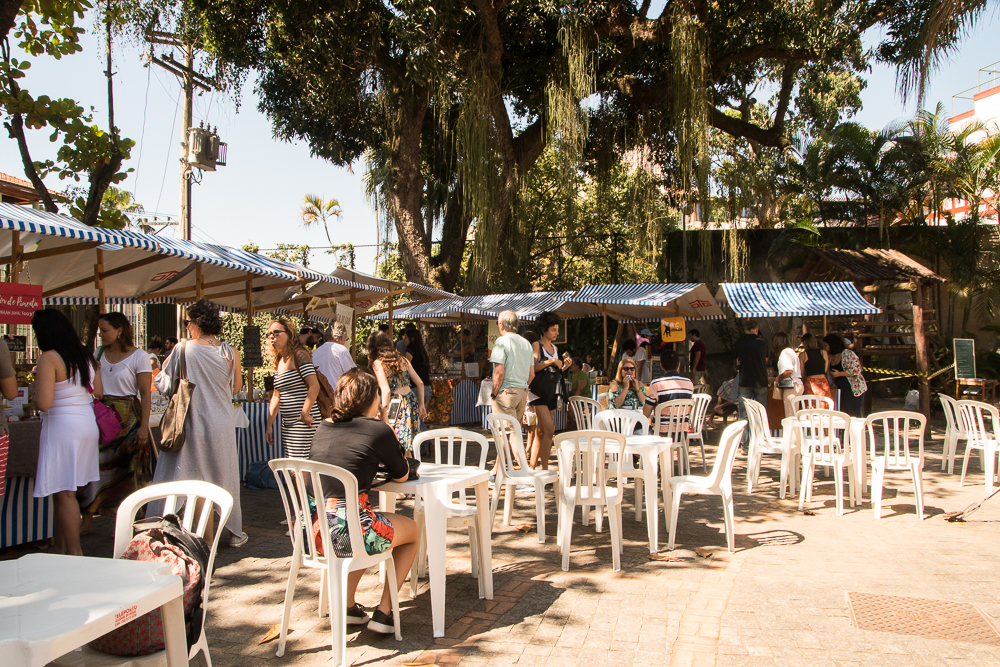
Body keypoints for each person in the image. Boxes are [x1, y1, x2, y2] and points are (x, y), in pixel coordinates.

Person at [309, 368, 419, 633]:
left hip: (313, 531)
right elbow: (402, 475)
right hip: (350, 531)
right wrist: (387, 430)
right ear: (370, 399)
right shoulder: (377, 430)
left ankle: (347, 607)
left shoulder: (323, 426)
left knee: (360, 528)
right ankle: (384, 613)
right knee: (413, 531)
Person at [153, 299, 246, 548]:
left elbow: (164, 384)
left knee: (195, 476)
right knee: (219, 475)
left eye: (187, 322)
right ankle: (217, 532)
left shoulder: (183, 350)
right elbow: (235, 388)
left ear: (195, 322)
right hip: (222, 422)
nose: (186, 327)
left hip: (193, 420)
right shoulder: (229, 351)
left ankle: (198, 535)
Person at [30, 309, 102, 556]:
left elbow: (43, 403)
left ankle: (74, 552)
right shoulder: (84, 355)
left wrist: (34, 387)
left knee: (65, 494)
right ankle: (61, 547)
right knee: (64, 490)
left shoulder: (49, 358)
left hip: (62, 428)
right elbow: (99, 391)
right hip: (86, 424)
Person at [81, 312, 153, 531]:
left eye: (104, 330)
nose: (101, 334)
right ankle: (88, 518)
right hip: (103, 417)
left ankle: (133, 519)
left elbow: (145, 393)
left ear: (119, 330)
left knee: (130, 468)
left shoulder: (138, 356)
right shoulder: (99, 353)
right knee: (97, 467)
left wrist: (143, 427)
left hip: (129, 417)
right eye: (100, 330)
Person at [266, 318, 321, 459]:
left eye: (276, 332)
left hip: (304, 423)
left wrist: (304, 414)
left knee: (302, 468)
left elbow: (314, 386)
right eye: (270, 334)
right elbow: (276, 396)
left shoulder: (299, 354)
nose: (272, 337)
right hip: (288, 425)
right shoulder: (279, 361)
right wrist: (269, 424)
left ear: (289, 334)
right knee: (294, 468)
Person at [488, 312, 535, 476]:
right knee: (507, 433)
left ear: (501, 324)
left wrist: (494, 393)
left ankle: (524, 473)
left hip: (506, 392)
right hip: (522, 392)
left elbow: (499, 373)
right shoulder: (526, 344)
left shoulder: (500, 342)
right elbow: (532, 375)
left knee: (511, 433)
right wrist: (522, 387)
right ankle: (497, 470)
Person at [367, 332, 426, 455]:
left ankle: (405, 470)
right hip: (410, 400)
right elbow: (420, 383)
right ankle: (410, 469)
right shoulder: (402, 359)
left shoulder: (378, 362)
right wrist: (421, 405)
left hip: (395, 404)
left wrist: (384, 411)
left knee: (395, 443)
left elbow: (386, 390)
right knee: (407, 444)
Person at [528, 311, 563, 470]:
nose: (556, 333)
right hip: (537, 393)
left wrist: (562, 365)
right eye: (553, 330)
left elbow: (555, 370)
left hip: (551, 391)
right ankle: (545, 469)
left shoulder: (555, 348)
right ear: (544, 329)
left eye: (557, 329)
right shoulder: (537, 345)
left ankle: (532, 468)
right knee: (550, 430)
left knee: (541, 433)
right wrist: (551, 361)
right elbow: (533, 367)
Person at [734, 319, 769, 448]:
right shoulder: (764, 342)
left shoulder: (739, 343)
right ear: (756, 328)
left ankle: (745, 444)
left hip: (745, 380)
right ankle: (761, 441)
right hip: (760, 379)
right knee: (761, 412)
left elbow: (738, 359)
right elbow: (766, 359)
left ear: (745, 330)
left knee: (743, 413)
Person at [643, 349, 694, 433]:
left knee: (635, 431)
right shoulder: (689, 383)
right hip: (682, 433)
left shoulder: (656, 384)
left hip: (660, 433)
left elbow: (645, 414)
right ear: (678, 365)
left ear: (661, 366)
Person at [824, 333, 867, 417]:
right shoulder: (829, 356)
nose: (824, 348)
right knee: (843, 414)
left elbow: (857, 369)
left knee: (854, 414)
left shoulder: (847, 353)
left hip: (853, 389)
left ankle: (857, 430)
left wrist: (839, 374)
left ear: (833, 345)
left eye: (826, 345)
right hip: (839, 389)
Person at [402, 326, 432, 430]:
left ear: (412, 339)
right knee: (421, 417)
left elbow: (406, 367)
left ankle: (426, 442)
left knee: (416, 418)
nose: (403, 339)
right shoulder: (422, 350)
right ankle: (425, 442)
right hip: (427, 387)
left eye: (405, 338)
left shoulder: (411, 349)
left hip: (416, 388)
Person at [313, 322, 356, 389]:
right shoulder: (341, 350)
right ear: (343, 336)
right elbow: (353, 375)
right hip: (335, 394)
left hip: (319, 395)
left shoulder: (315, 352)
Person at [772, 332, 804, 417]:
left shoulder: (785, 353)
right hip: (797, 384)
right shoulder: (791, 351)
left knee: (790, 415)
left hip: (791, 386)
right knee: (794, 414)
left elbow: (789, 370)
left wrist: (779, 377)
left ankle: (791, 430)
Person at [799, 333, 832, 399]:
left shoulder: (803, 355)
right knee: (824, 405)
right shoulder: (823, 352)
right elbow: (825, 370)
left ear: (805, 342)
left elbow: (801, 373)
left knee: (811, 405)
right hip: (823, 382)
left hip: (811, 383)